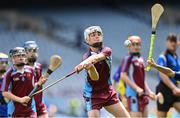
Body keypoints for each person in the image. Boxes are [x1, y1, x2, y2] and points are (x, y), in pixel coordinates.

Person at [74, 26, 130, 117]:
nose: (97, 36)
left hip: (108, 92)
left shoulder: (107, 50)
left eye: (99, 34)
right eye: (93, 35)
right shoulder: (85, 57)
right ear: (87, 40)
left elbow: (98, 57)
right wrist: (90, 67)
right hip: (93, 95)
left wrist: (86, 62)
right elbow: (95, 78)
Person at [121, 35, 155, 117]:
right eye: (133, 44)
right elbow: (123, 76)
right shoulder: (128, 59)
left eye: (138, 44)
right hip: (133, 94)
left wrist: (148, 91)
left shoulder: (141, 59)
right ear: (129, 46)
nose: (136, 46)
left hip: (142, 94)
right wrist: (136, 88)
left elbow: (142, 78)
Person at [1, 47, 36, 117]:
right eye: (18, 56)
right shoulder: (9, 74)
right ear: (13, 58)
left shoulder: (31, 70)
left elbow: (34, 86)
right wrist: (20, 100)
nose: (21, 58)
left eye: (23, 55)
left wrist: (40, 83)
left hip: (30, 110)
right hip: (15, 111)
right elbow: (4, 93)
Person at [156, 33, 180, 117]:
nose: (173, 43)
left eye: (174, 41)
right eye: (171, 41)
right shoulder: (163, 57)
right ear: (167, 42)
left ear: (178, 43)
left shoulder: (176, 57)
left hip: (175, 90)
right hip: (164, 90)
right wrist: (173, 88)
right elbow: (162, 75)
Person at [24, 41, 48, 118]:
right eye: (30, 51)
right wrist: (39, 84)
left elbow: (39, 86)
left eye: (35, 51)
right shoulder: (21, 68)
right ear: (25, 53)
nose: (33, 53)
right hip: (26, 106)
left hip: (39, 104)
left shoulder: (39, 66)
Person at [0, 53, 8, 117]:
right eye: (2, 63)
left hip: (6, 113)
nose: (4, 65)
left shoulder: (10, 79)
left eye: (6, 62)